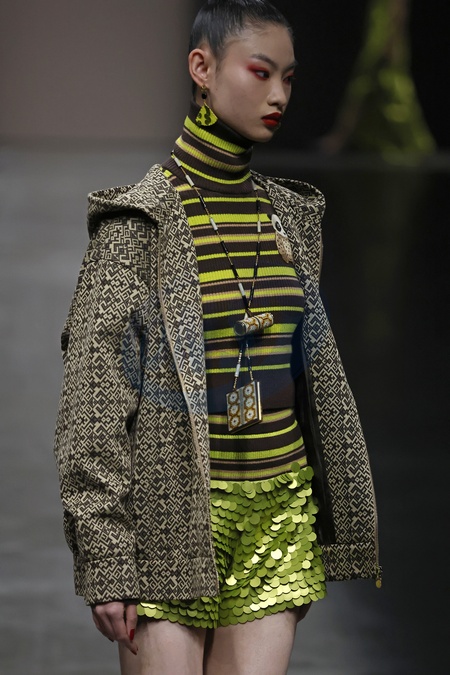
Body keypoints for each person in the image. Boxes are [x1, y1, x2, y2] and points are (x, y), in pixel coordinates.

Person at [54, 1, 381, 673]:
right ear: (201, 68)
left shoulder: (292, 219)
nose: (279, 94)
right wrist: (106, 555)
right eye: (261, 72)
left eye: (289, 77)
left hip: (278, 512)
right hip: (169, 521)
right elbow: (92, 406)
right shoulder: (136, 227)